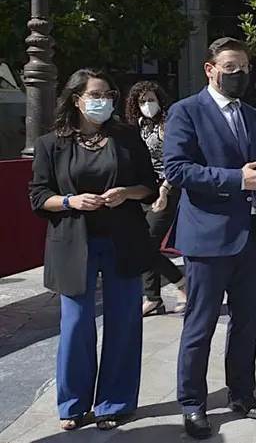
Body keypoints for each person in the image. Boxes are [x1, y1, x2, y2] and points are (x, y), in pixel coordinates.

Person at [163, 37, 256, 439]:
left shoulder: (251, 114)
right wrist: (237, 179)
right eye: (230, 67)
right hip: (207, 238)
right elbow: (177, 169)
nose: (239, 74)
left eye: (244, 67)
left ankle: (242, 393)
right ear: (210, 69)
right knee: (200, 326)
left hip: (249, 237)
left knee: (248, 322)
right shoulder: (186, 111)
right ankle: (192, 403)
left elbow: (255, 169)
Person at [28, 69, 158, 431]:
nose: (104, 101)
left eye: (109, 95)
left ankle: (114, 404)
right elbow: (39, 196)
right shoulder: (50, 143)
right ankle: (73, 405)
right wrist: (70, 201)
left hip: (123, 240)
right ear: (77, 99)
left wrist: (125, 193)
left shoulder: (127, 137)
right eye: (96, 95)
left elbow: (149, 185)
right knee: (76, 325)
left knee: (124, 322)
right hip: (73, 243)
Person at [123, 81, 188, 316]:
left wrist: (164, 191)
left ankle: (181, 283)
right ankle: (153, 297)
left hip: (167, 188)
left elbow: (176, 160)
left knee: (146, 243)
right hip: (144, 189)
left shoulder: (167, 125)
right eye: (142, 101)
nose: (147, 105)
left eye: (151, 100)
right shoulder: (139, 125)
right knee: (141, 242)